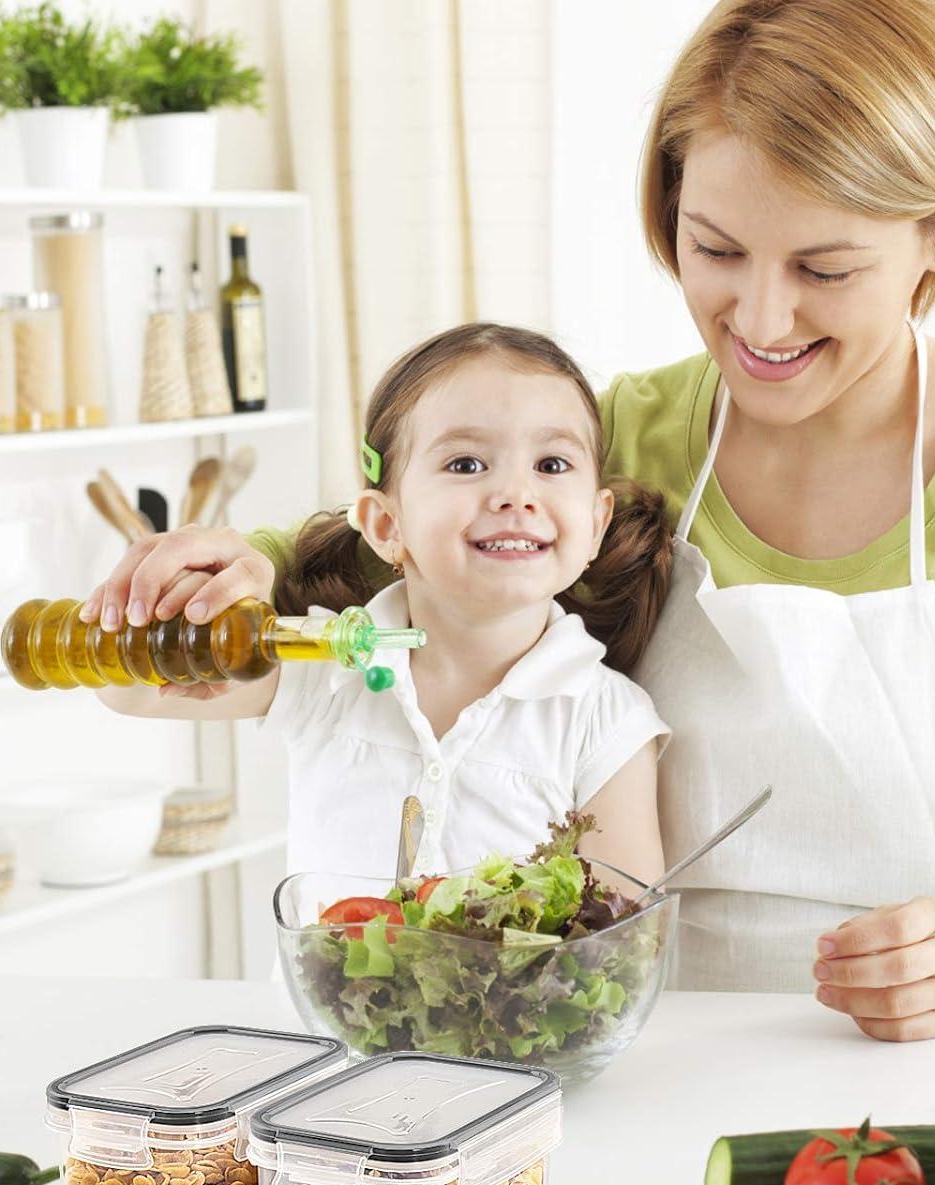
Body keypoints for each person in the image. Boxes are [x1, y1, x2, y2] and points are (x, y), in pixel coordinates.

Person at [91, 0, 935, 1040]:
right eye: (716, 250)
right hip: (644, 1056)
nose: (760, 320)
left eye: (825, 270)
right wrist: (235, 565)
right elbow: (389, 540)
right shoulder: (615, 440)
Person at [87, 323, 672, 887]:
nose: (516, 495)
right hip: (329, 992)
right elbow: (128, 694)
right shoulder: (320, 666)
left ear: (595, 525)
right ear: (387, 524)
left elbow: (622, 944)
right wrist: (152, 618)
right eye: (466, 464)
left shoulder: (606, 722)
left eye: (551, 465)